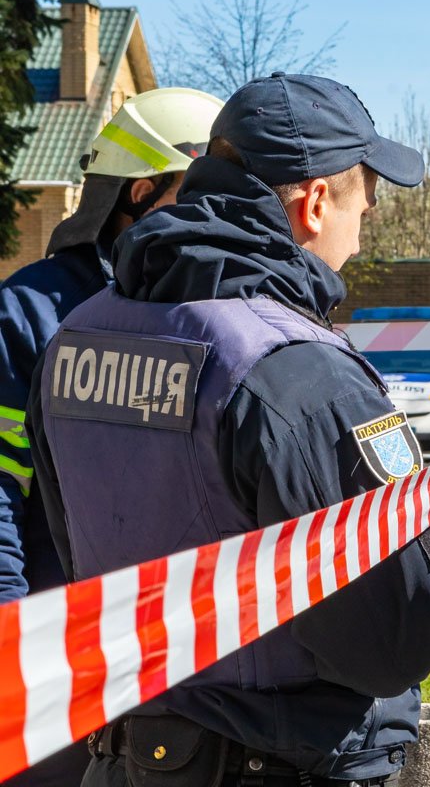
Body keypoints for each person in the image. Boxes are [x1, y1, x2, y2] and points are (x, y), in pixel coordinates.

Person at [27, 73, 430, 786]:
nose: (366, 226)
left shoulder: (75, 336)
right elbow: (391, 642)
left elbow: (78, 548)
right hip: (276, 760)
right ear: (316, 203)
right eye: (368, 202)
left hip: (124, 754)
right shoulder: (299, 376)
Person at [0, 87, 222, 787]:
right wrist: (14, 641)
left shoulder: (211, 310)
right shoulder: (33, 312)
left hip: (183, 654)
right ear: (139, 191)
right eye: (202, 193)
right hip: (58, 656)